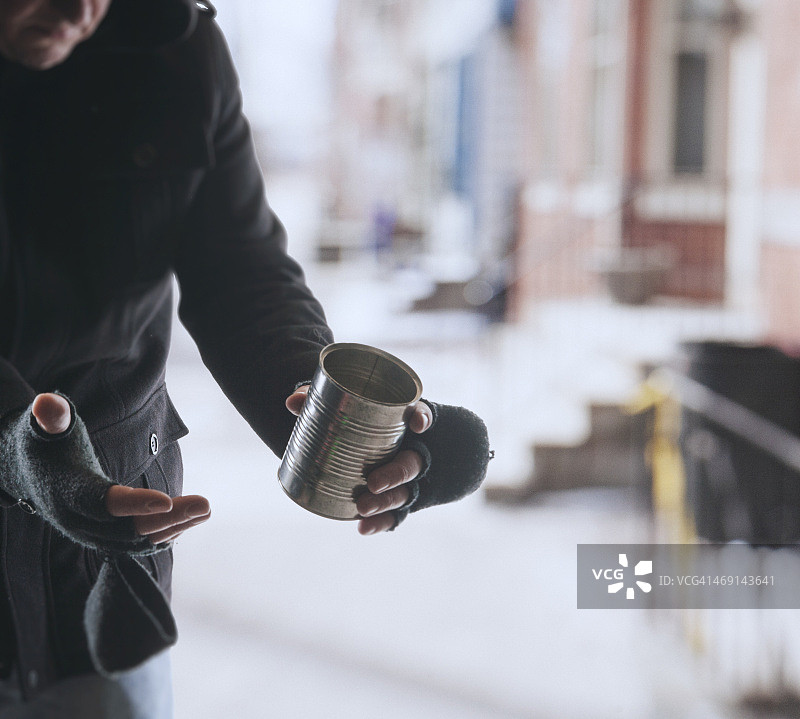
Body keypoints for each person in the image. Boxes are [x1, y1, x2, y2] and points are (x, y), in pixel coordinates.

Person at [0, 0, 491, 717]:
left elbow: (239, 270)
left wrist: (328, 411)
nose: (81, 9)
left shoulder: (177, 50)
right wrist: (17, 450)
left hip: (102, 567)